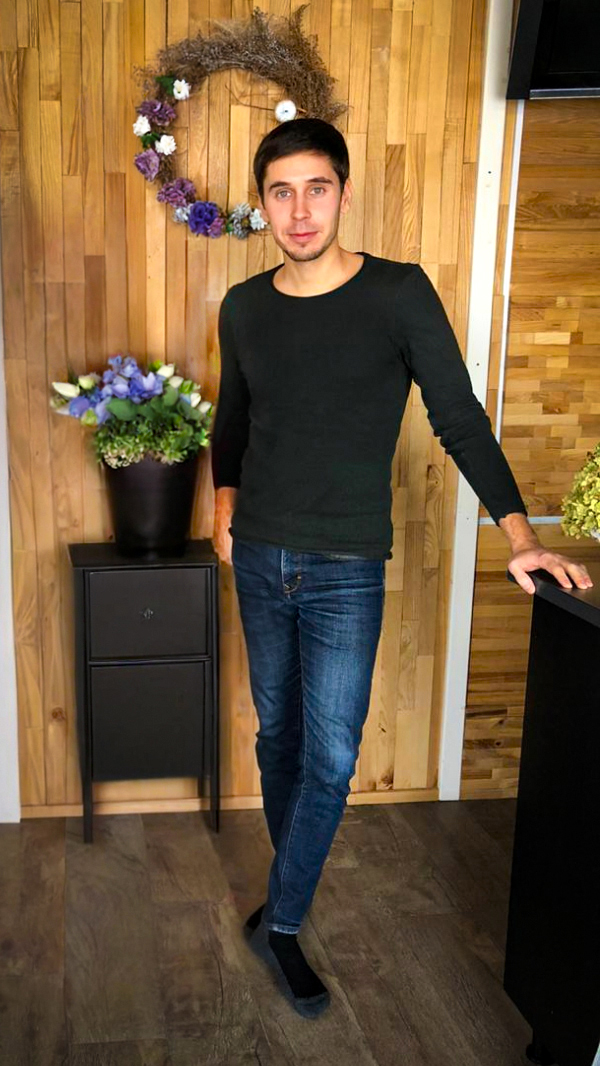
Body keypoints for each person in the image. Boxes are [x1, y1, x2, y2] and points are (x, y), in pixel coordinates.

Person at [210, 118, 592, 1018]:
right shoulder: (244, 305)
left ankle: (283, 923)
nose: (300, 211)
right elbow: (233, 420)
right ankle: (289, 902)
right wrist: (222, 511)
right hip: (259, 554)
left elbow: (459, 418)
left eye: (316, 189)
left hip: (345, 564)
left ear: (343, 194)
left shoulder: (398, 294)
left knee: (332, 756)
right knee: (277, 738)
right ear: (263, 203)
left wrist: (521, 536)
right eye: (280, 192)